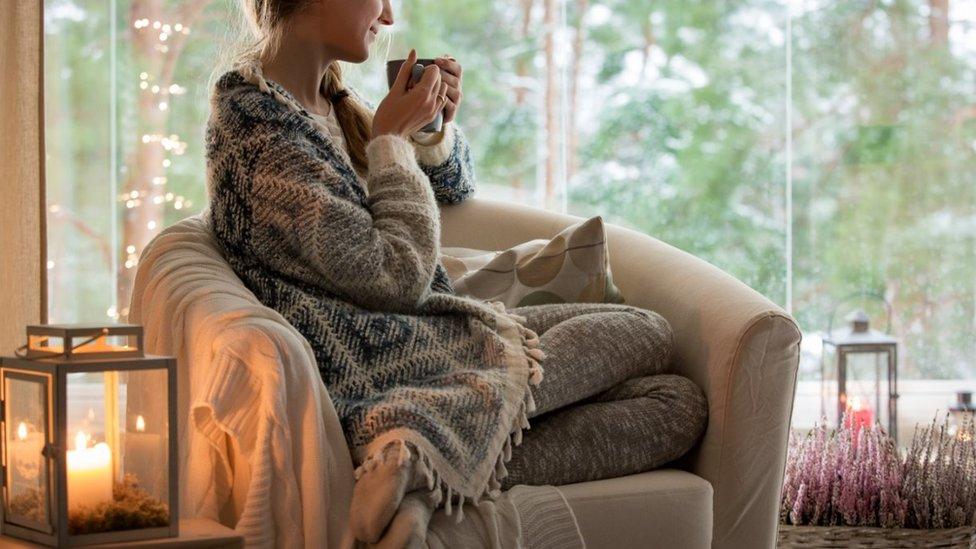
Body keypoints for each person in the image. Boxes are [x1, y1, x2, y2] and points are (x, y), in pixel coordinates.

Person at [205, 0, 708, 547]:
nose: (390, 17)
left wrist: (428, 132)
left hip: (424, 342)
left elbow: (451, 190)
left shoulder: (323, 104)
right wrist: (390, 142)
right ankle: (416, 434)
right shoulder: (255, 125)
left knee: (675, 403)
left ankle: (421, 472)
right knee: (645, 332)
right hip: (380, 367)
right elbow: (395, 277)